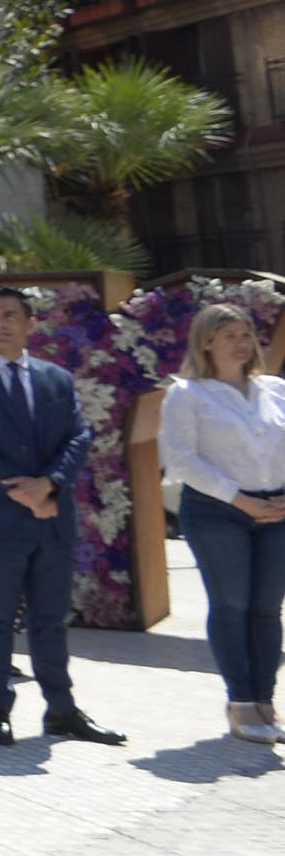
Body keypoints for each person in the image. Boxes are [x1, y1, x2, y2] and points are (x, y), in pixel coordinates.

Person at [0, 286, 124, 749]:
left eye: (9, 315)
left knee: (51, 618)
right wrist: (24, 491)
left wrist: (50, 485)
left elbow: (78, 437)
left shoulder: (56, 378)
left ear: (29, 324)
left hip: (53, 515)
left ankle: (62, 711)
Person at [158, 302, 285, 744]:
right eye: (230, 334)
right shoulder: (187, 394)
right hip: (217, 511)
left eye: (246, 334)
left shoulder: (274, 389)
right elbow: (180, 460)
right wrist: (240, 499)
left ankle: (266, 699)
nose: (241, 342)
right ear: (206, 342)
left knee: (267, 609)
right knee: (232, 605)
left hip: (277, 510)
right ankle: (240, 701)